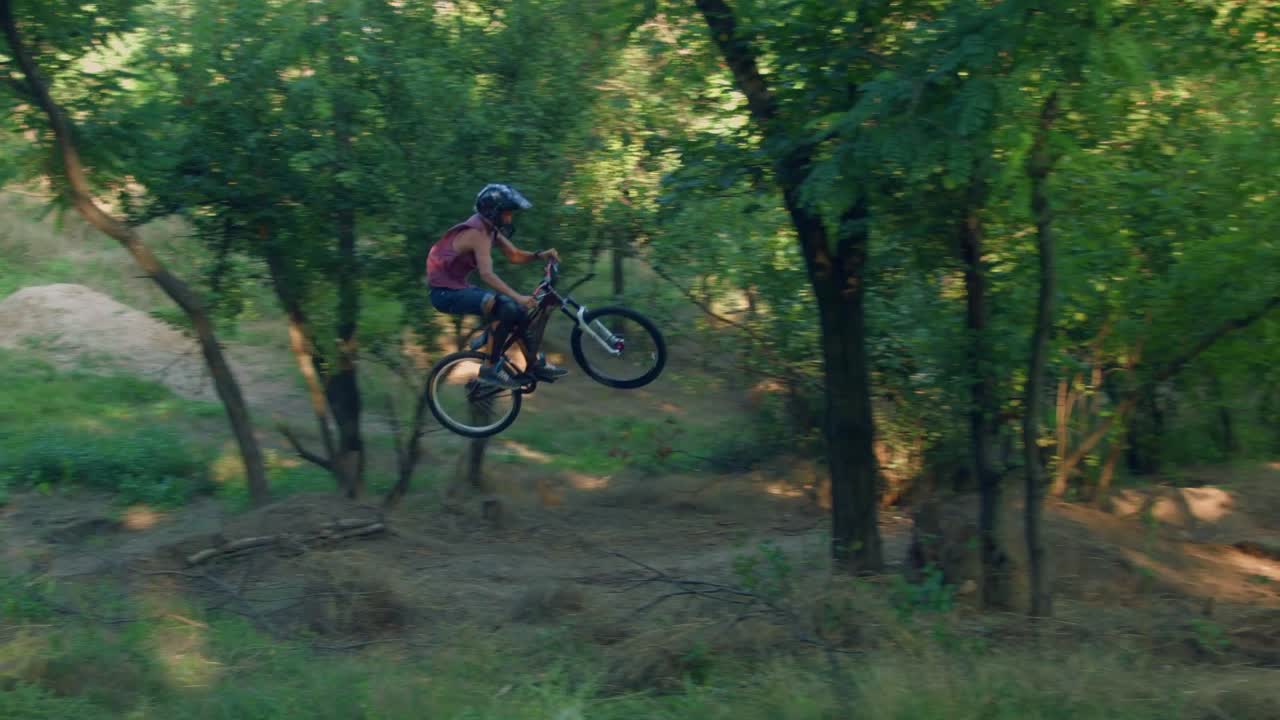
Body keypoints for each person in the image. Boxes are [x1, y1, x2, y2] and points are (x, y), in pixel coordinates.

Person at [427, 183, 568, 389]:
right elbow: (486, 274)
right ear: (493, 211)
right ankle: (491, 368)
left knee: (519, 312)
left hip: (456, 287)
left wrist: (540, 255)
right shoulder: (478, 233)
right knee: (508, 306)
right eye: (507, 213)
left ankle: (534, 364)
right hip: (444, 293)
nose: (510, 218)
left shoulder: (489, 229)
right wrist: (518, 296)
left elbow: (514, 255)